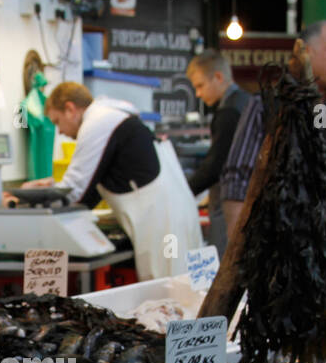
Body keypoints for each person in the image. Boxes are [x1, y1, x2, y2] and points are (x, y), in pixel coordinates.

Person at [22, 81, 202, 281]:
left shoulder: (97, 123)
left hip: (164, 227)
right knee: (184, 287)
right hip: (174, 216)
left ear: (70, 109)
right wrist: (51, 186)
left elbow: (75, 192)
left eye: (57, 122)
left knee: (169, 291)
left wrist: (29, 198)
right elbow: (89, 187)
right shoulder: (114, 116)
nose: (60, 132)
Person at [219, 20, 326, 240]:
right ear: (306, 52)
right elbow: (238, 180)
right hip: (273, 246)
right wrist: (237, 250)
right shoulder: (266, 106)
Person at [184, 50, 252, 254]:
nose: (197, 93)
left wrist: (183, 191)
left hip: (231, 205)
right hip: (250, 203)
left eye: (200, 85)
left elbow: (216, 165)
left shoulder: (228, 113)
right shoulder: (248, 103)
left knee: (223, 266)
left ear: (219, 77)